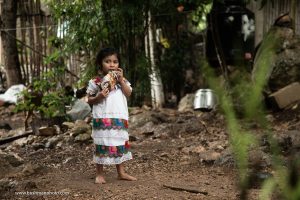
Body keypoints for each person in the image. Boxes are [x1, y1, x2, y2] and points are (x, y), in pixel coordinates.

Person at [86, 47, 137, 184]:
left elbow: (129, 93)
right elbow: (89, 99)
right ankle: (99, 173)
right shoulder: (96, 81)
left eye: (115, 61)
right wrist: (99, 96)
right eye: (107, 61)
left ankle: (121, 172)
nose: (112, 64)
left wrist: (120, 81)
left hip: (119, 117)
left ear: (119, 64)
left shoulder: (122, 81)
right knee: (101, 143)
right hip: (102, 117)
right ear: (100, 64)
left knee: (119, 143)